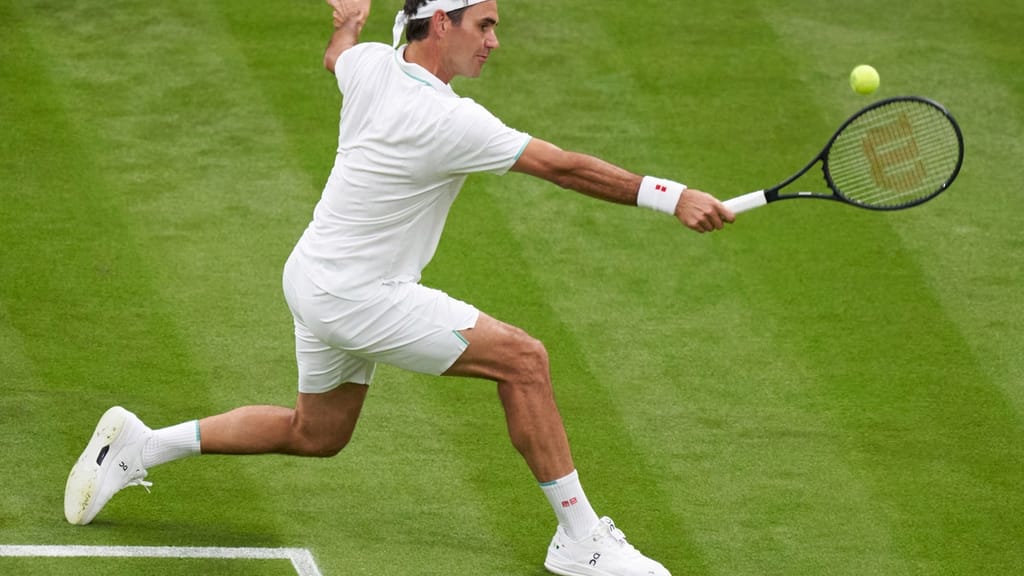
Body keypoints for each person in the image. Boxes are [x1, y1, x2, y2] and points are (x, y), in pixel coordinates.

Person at [63, 1, 735, 575]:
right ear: (440, 23)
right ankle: (580, 539)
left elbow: (338, 59)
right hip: (360, 294)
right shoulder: (451, 121)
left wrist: (348, 24)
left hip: (312, 278)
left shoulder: (373, 67)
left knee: (317, 433)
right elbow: (562, 168)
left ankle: (142, 445)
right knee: (524, 361)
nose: (496, 41)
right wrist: (671, 196)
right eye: (486, 25)